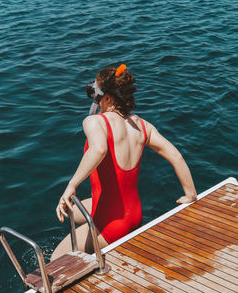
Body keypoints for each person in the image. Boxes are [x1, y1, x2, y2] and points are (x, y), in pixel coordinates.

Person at [51, 64, 197, 261]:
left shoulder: (95, 122)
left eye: (96, 95)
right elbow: (176, 157)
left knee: (55, 259)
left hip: (111, 226)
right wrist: (190, 194)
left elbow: (99, 150)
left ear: (108, 98)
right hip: (134, 214)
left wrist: (72, 185)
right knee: (69, 210)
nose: (96, 102)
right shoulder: (143, 126)